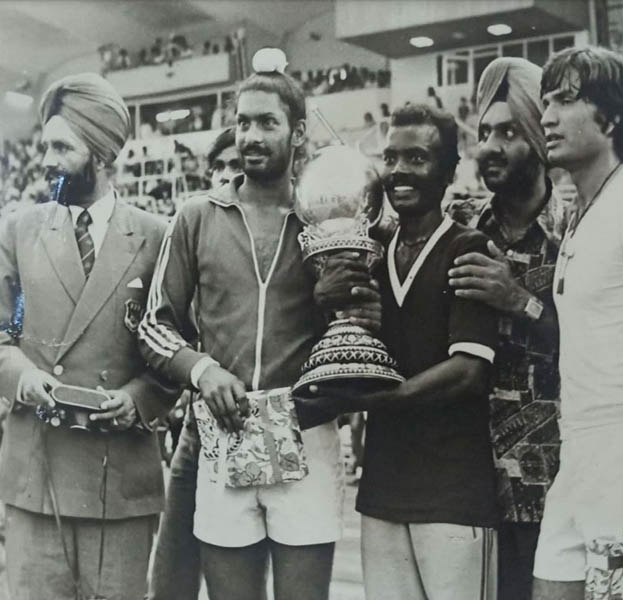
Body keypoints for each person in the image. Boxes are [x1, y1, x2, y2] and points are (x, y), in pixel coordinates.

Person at [139, 63, 360, 600]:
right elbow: (153, 325)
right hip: (225, 427)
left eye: (266, 123)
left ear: (299, 133)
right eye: (242, 124)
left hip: (305, 430)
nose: (251, 137)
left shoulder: (327, 221)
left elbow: (354, 328)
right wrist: (202, 369)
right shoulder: (196, 216)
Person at [306, 104, 499, 600]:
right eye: (390, 158)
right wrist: (325, 302)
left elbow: (468, 372)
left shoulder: (468, 246)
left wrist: (374, 402)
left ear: (450, 170)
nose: (399, 171)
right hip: (384, 485)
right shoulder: (366, 250)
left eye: (417, 157)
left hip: (454, 487)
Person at [0, 72, 178, 600]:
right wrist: (23, 378)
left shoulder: (156, 235)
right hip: (38, 476)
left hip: (120, 480)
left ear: (102, 153)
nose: (46, 160)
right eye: (44, 145)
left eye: (62, 147)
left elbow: (178, 345)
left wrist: (140, 399)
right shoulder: (18, 231)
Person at [532, 47, 623, 600]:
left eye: (565, 101)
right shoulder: (579, 213)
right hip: (578, 454)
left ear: (612, 117)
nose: (546, 116)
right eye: (545, 102)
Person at [447, 57, 562, 600]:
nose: (489, 146)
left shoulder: (579, 228)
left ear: (540, 138)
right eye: (484, 132)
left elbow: (607, 346)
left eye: (509, 131)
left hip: (557, 491)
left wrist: (519, 300)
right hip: (468, 489)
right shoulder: (459, 230)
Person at [145, 125, 242, 600]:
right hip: (198, 426)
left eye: (236, 167)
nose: (226, 177)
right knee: (172, 570)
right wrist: (198, 370)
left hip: (261, 420)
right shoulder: (195, 230)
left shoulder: (287, 230)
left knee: (241, 575)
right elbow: (159, 328)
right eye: (218, 168)